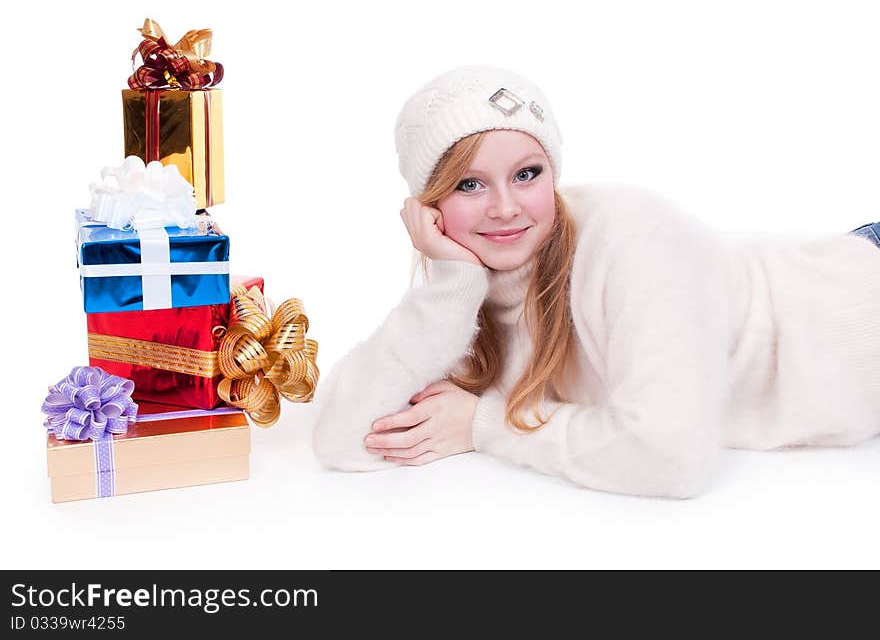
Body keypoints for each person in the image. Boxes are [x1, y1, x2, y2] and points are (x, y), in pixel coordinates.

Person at [311, 64, 880, 499]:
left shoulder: (633, 237)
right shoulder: (465, 288)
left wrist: (484, 425)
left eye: (526, 174)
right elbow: (344, 437)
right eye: (469, 185)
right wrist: (450, 283)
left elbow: (672, 456)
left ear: (553, 174)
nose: (506, 208)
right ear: (428, 207)